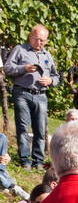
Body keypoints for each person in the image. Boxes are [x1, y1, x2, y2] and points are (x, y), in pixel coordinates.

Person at [3, 25, 59, 170]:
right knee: (23, 127)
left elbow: (56, 76)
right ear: (30, 37)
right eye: (37, 39)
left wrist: (50, 81)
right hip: (22, 93)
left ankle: (38, 161)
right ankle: (25, 160)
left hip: (41, 95)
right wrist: (24, 68)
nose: (39, 43)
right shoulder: (20, 50)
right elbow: (8, 68)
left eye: (43, 40)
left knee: (40, 129)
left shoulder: (47, 55)